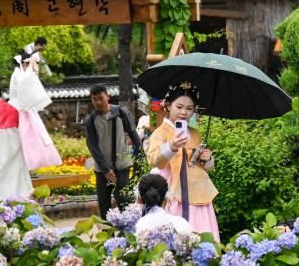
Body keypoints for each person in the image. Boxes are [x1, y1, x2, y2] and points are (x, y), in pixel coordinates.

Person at [146, 82, 220, 241]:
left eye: (189, 108)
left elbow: (200, 166)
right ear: (168, 106)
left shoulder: (195, 134)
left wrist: (207, 158)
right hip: (171, 191)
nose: (184, 112)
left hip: (198, 192)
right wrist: (171, 147)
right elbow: (154, 160)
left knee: (202, 233)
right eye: (179, 107)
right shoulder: (160, 132)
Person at [84, 85, 143, 212]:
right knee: (104, 204)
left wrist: (141, 155)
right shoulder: (90, 121)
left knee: (124, 200)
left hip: (122, 165)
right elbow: (92, 147)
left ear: (108, 97)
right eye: (94, 99)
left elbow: (133, 134)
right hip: (102, 169)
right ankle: (107, 226)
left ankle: (125, 225)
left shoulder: (121, 112)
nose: (98, 102)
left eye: (101, 98)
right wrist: (106, 169)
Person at [9, 52, 62, 170]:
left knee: (33, 138)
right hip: (18, 110)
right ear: (24, 63)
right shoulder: (17, 74)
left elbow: (29, 85)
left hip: (25, 108)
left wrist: (33, 72)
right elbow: (23, 85)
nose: (31, 66)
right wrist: (33, 71)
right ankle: (23, 166)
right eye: (28, 63)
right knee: (23, 138)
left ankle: (30, 166)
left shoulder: (22, 74)